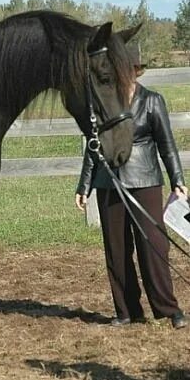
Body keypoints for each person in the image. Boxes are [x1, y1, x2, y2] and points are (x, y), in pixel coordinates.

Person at [75, 46, 188, 329]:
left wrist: (178, 181)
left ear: (136, 71)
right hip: (109, 181)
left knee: (154, 245)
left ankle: (168, 309)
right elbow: (93, 146)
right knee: (116, 248)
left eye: (129, 71)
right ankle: (126, 311)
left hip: (145, 179)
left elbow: (167, 144)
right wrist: (84, 184)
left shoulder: (152, 101)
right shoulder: (105, 102)